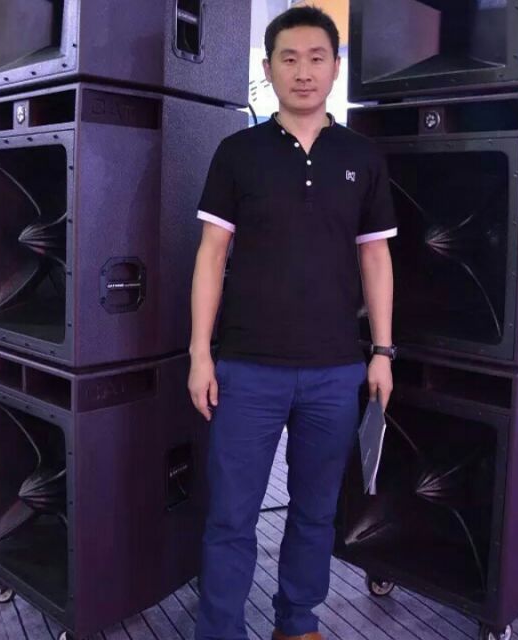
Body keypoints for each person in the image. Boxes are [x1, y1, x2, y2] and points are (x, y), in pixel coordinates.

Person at [188, 7, 397, 640]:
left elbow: (376, 257)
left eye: (316, 58)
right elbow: (211, 255)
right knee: (231, 517)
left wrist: (382, 351)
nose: (303, 71)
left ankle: (297, 622)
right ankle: (220, 630)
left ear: (334, 68)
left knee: (315, 512)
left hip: (335, 370)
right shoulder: (238, 153)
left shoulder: (362, 155)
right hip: (246, 369)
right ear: (268, 67)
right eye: (289, 58)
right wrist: (200, 354)